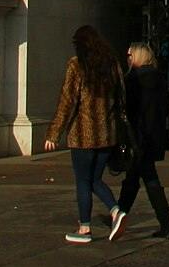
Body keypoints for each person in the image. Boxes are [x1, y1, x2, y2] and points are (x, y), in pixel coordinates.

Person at [42, 25, 124, 244]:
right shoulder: (112, 64)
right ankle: (116, 211)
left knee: (83, 181)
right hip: (107, 134)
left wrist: (54, 133)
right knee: (95, 179)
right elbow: (121, 97)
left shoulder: (77, 65)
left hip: (82, 134)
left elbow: (68, 101)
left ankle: (85, 227)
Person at [110, 42, 169, 240]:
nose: (127, 58)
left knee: (146, 178)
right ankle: (120, 215)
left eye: (130, 54)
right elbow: (167, 107)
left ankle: (162, 222)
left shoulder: (132, 80)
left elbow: (126, 111)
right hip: (153, 136)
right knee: (135, 178)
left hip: (137, 137)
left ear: (137, 56)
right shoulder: (159, 78)